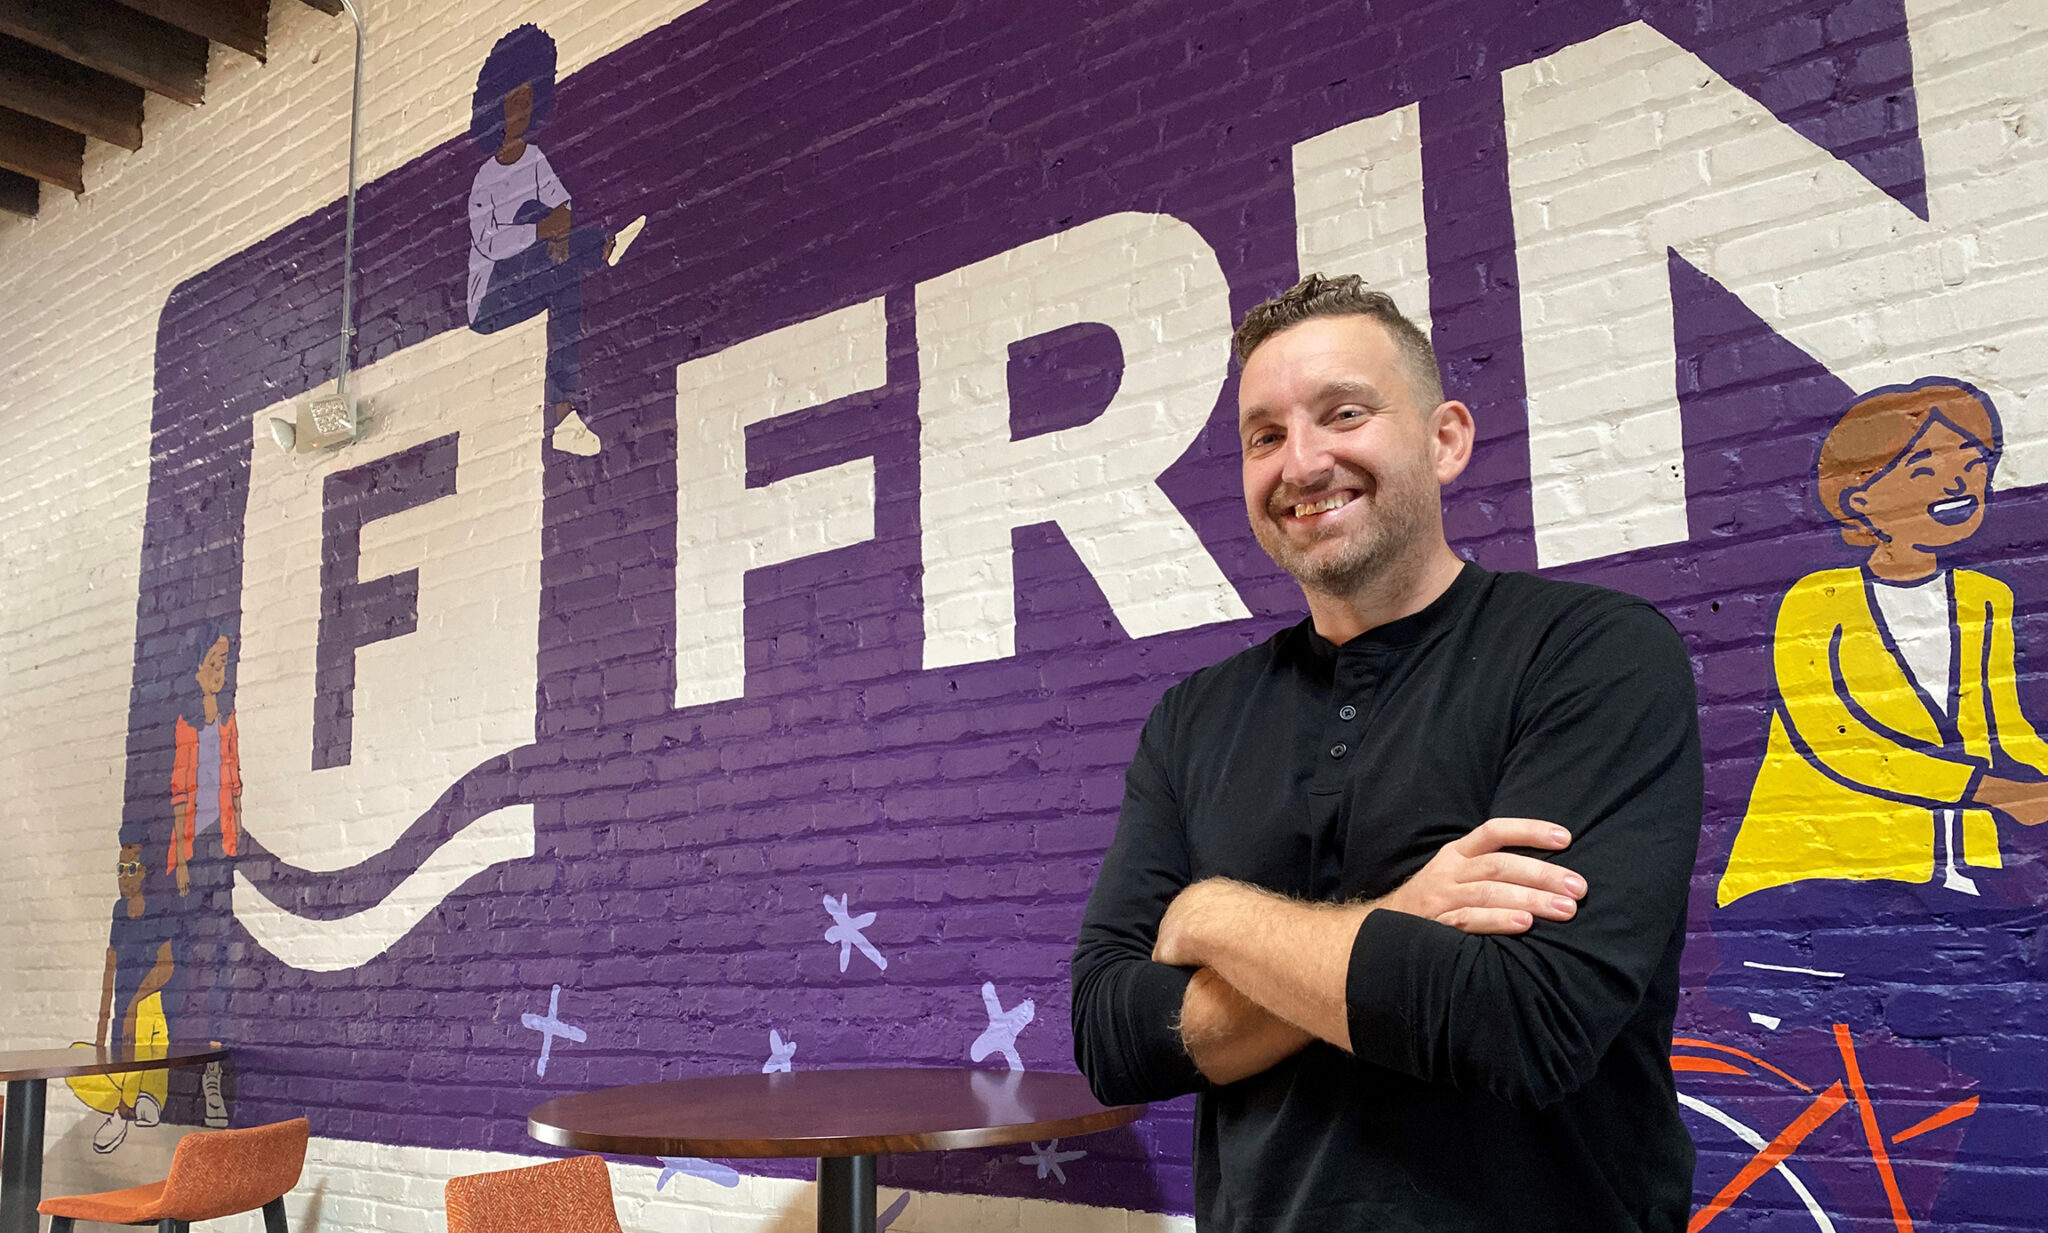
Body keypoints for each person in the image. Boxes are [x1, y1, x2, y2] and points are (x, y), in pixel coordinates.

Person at [1070, 273, 1703, 1232]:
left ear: (1445, 439)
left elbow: (1521, 1021)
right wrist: (1406, 917)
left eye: (1345, 413)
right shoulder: (1193, 720)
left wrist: (1213, 914)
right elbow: (1114, 1036)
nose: (1302, 462)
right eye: (1265, 435)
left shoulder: (1591, 654)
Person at [1719, 379, 2048, 905]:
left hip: (1957, 874)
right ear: (1859, 499)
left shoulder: (1985, 597)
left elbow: (2007, 730)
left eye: (1973, 465)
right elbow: (1839, 741)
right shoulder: (1817, 600)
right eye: (1924, 471)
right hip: (1818, 876)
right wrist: (1993, 792)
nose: (1958, 484)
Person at [466, 24, 645, 457]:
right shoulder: (485, 178)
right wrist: (544, 230)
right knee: (532, 214)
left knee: (564, 277)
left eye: (528, 99)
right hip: (490, 297)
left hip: (536, 271)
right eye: (514, 99)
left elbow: (562, 204)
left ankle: (564, 413)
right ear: (497, 105)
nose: (521, 108)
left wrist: (558, 234)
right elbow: (490, 243)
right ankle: (600, 249)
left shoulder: (535, 159)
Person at [69, 843, 176, 1153]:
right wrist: (99, 1036)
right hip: (124, 1019)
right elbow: (110, 967)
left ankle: (126, 1107)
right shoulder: (119, 912)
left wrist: (132, 1007)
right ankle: (143, 1100)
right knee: (77, 1060)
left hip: (151, 1015)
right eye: (120, 869)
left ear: (145, 873)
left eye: (131, 869)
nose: (124, 877)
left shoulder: (159, 911)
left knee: (143, 1015)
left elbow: (166, 966)